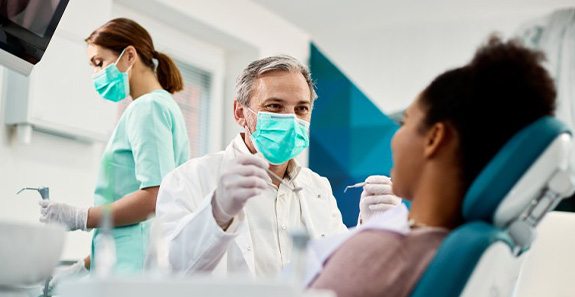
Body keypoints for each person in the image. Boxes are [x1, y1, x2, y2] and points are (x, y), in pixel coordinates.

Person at [309, 36, 557, 297]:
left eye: (405, 122)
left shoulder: (379, 252)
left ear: (435, 138)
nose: (395, 138)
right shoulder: (463, 250)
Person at [156, 55, 397, 278]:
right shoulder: (189, 178)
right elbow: (174, 270)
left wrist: (369, 228)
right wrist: (218, 211)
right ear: (240, 112)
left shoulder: (317, 187)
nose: (290, 119)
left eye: (301, 108)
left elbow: (338, 272)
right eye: (274, 106)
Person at [38, 18, 190, 277]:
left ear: (129, 55)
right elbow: (125, 225)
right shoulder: (161, 106)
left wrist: (80, 217)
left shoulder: (148, 108)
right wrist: (81, 268)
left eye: (100, 63)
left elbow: (154, 198)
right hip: (128, 262)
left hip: (133, 269)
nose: (96, 75)